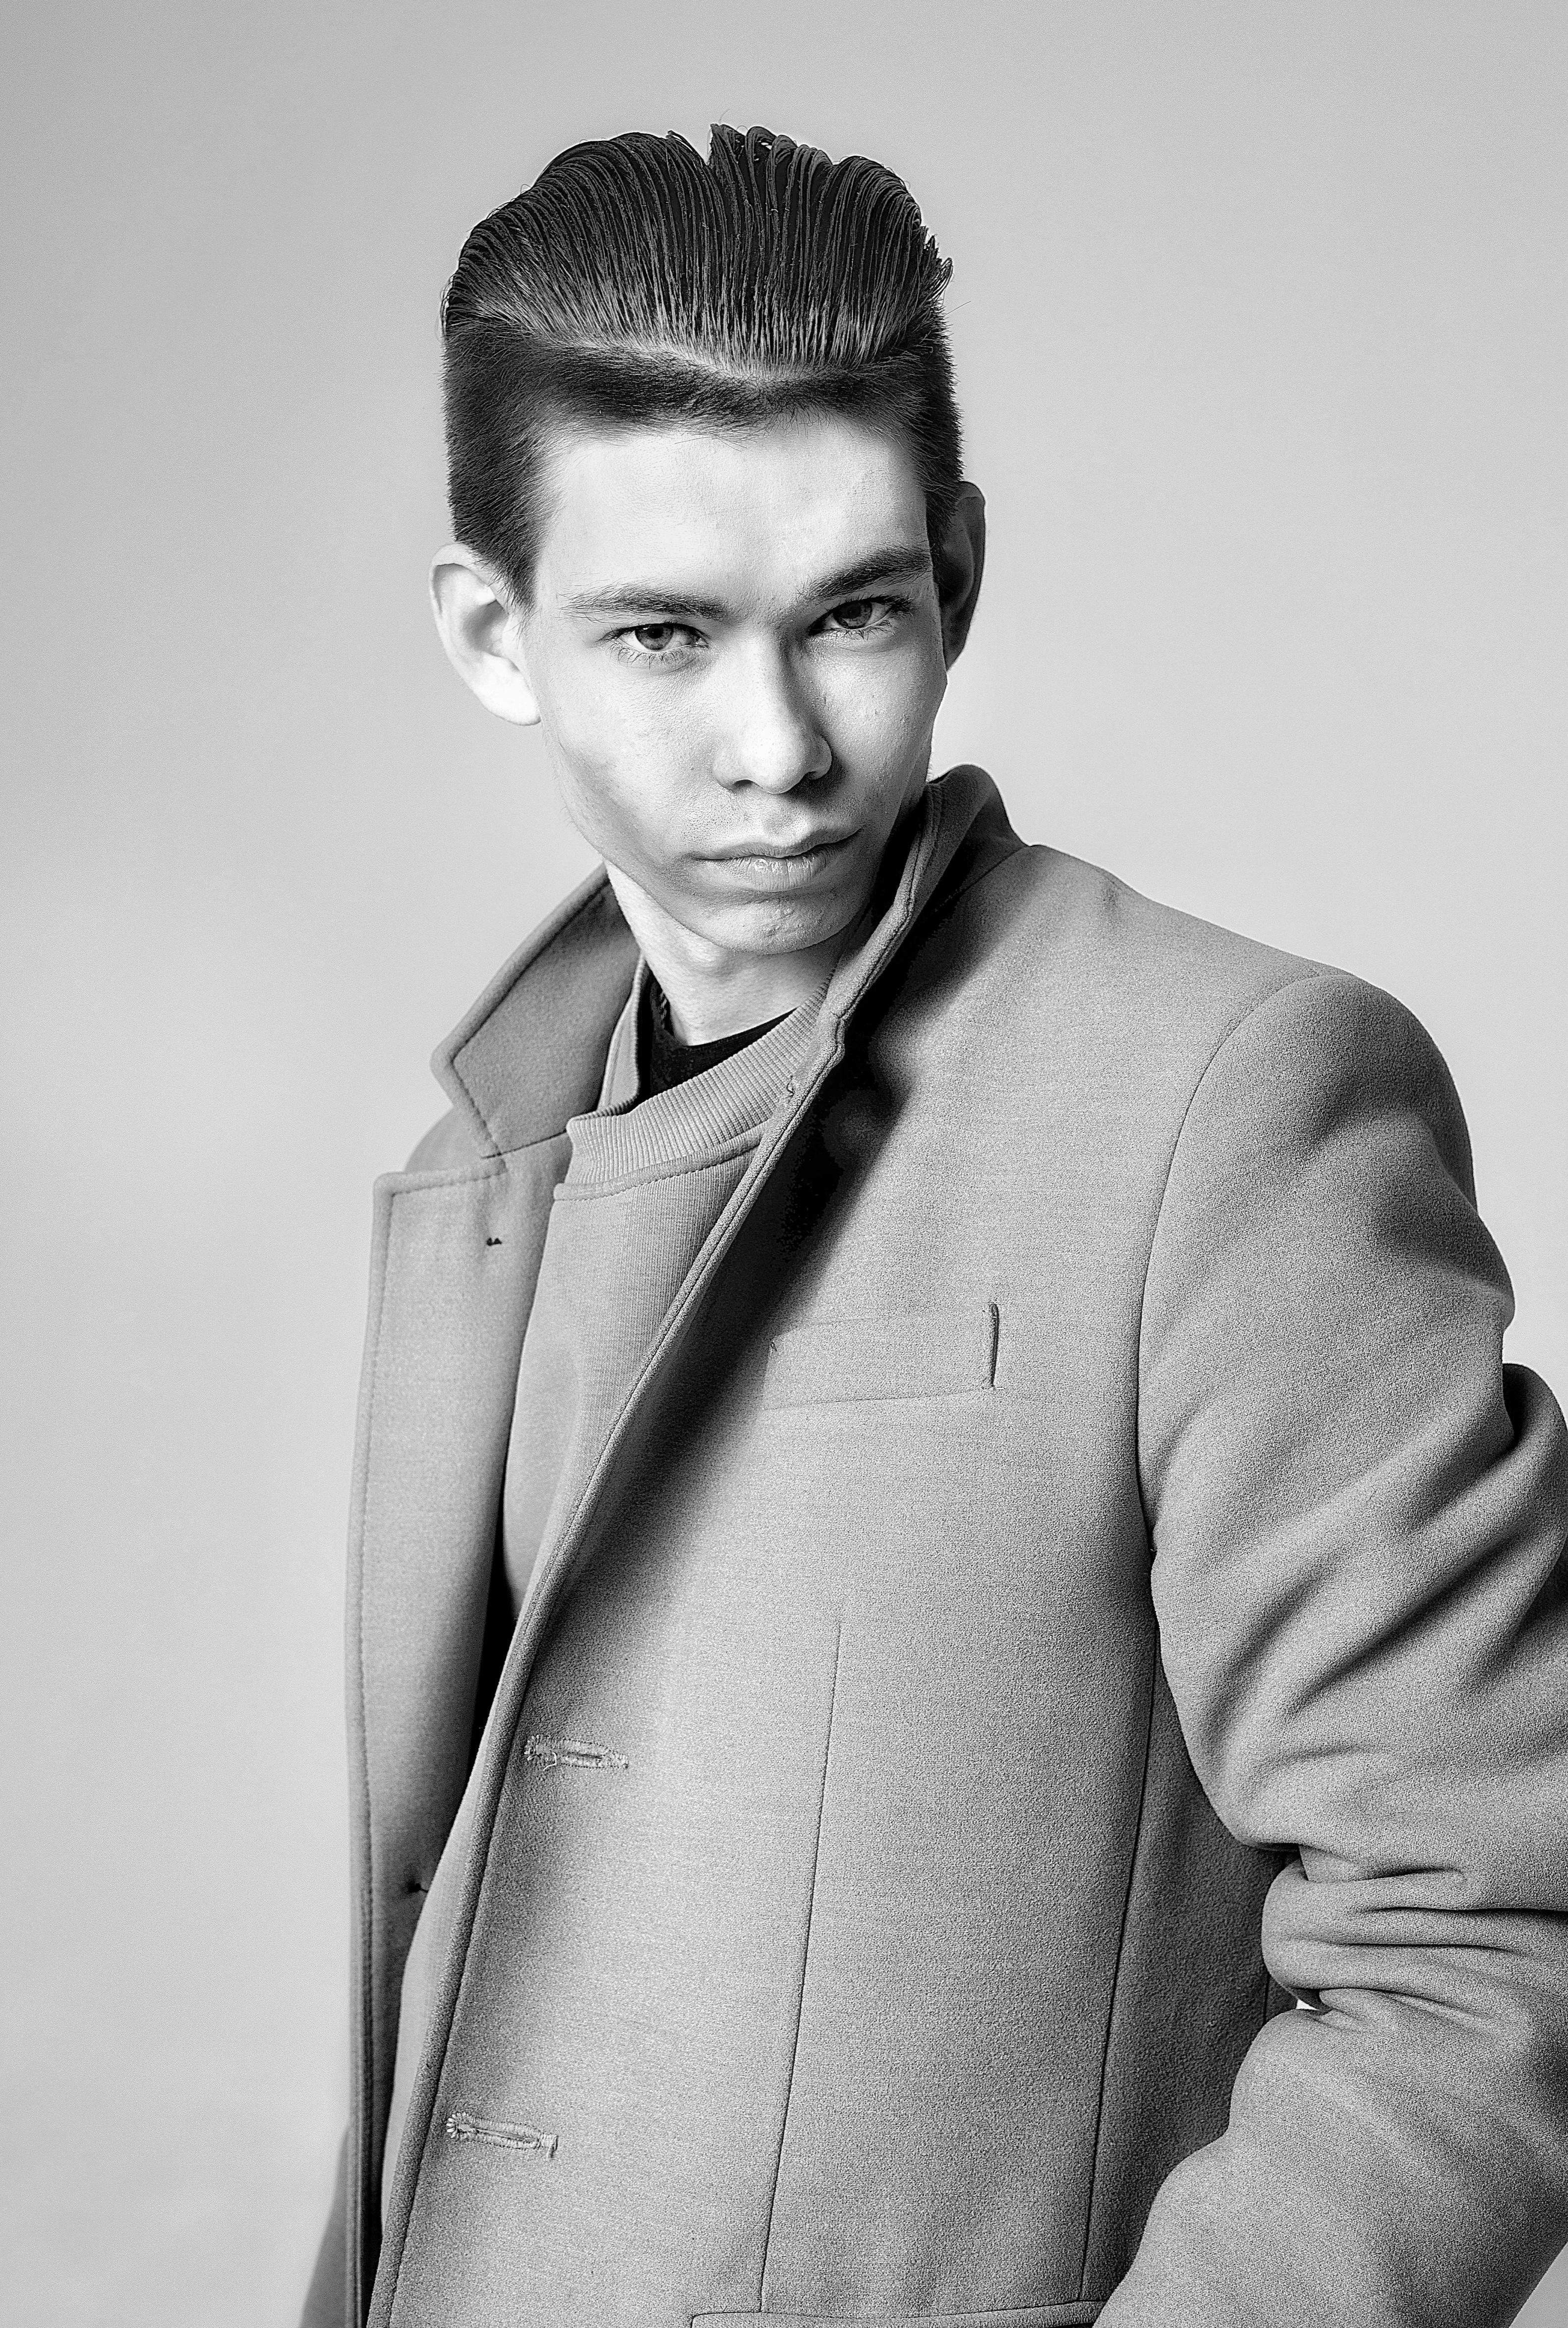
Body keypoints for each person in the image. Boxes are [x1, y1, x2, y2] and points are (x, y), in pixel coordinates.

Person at [303, 124, 1568, 2328]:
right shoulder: (488, 1155)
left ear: (957, 577)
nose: (779, 744)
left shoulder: (1228, 1098)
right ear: (496, 634)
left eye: (854, 615)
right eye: (664, 635)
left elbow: (1492, 1940)